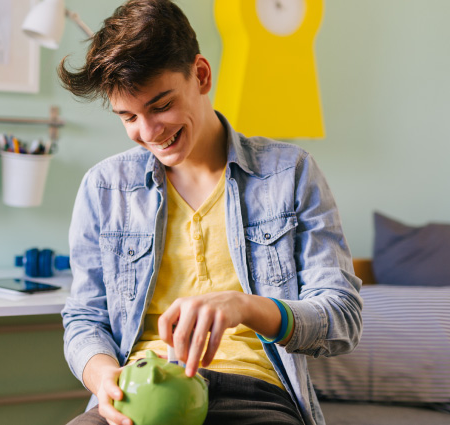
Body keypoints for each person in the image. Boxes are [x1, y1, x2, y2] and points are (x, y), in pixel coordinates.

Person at [59, 1, 362, 424]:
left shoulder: (290, 173)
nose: (148, 133)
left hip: (255, 394)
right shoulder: (104, 188)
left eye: (161, 105)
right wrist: (104, 377)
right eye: (129, 117)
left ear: (200, 75)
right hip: (139, 393)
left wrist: (245, 306)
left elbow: (342, 318)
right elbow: (84, 318)